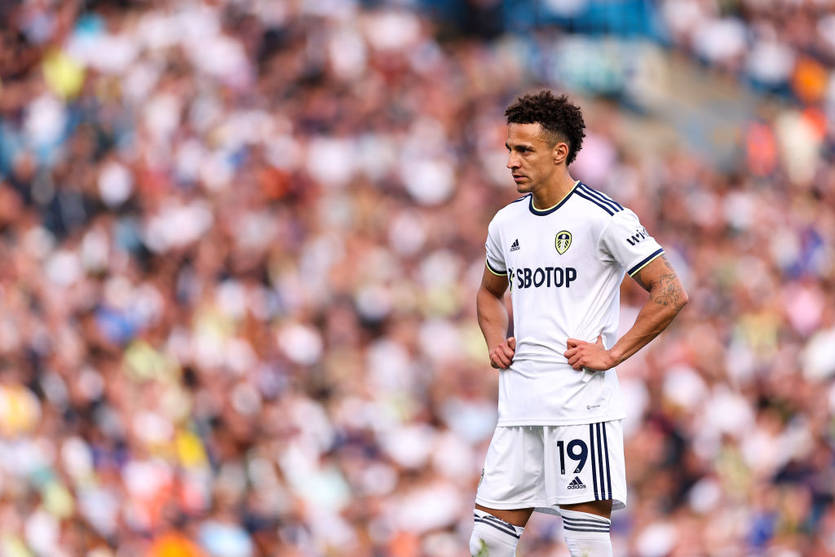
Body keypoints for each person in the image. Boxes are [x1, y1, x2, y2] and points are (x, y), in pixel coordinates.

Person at [470, 90, 689, 557]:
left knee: (586, 545)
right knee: (487, 542)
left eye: (524, 150)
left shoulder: (603, 217)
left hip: (579, 408)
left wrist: (613, 354)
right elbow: (489, 293)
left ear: (559, 152)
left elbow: (670, 291)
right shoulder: (505, 223)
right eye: (509, 149)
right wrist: (494, 339)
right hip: (519, 407)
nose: (511, 161)